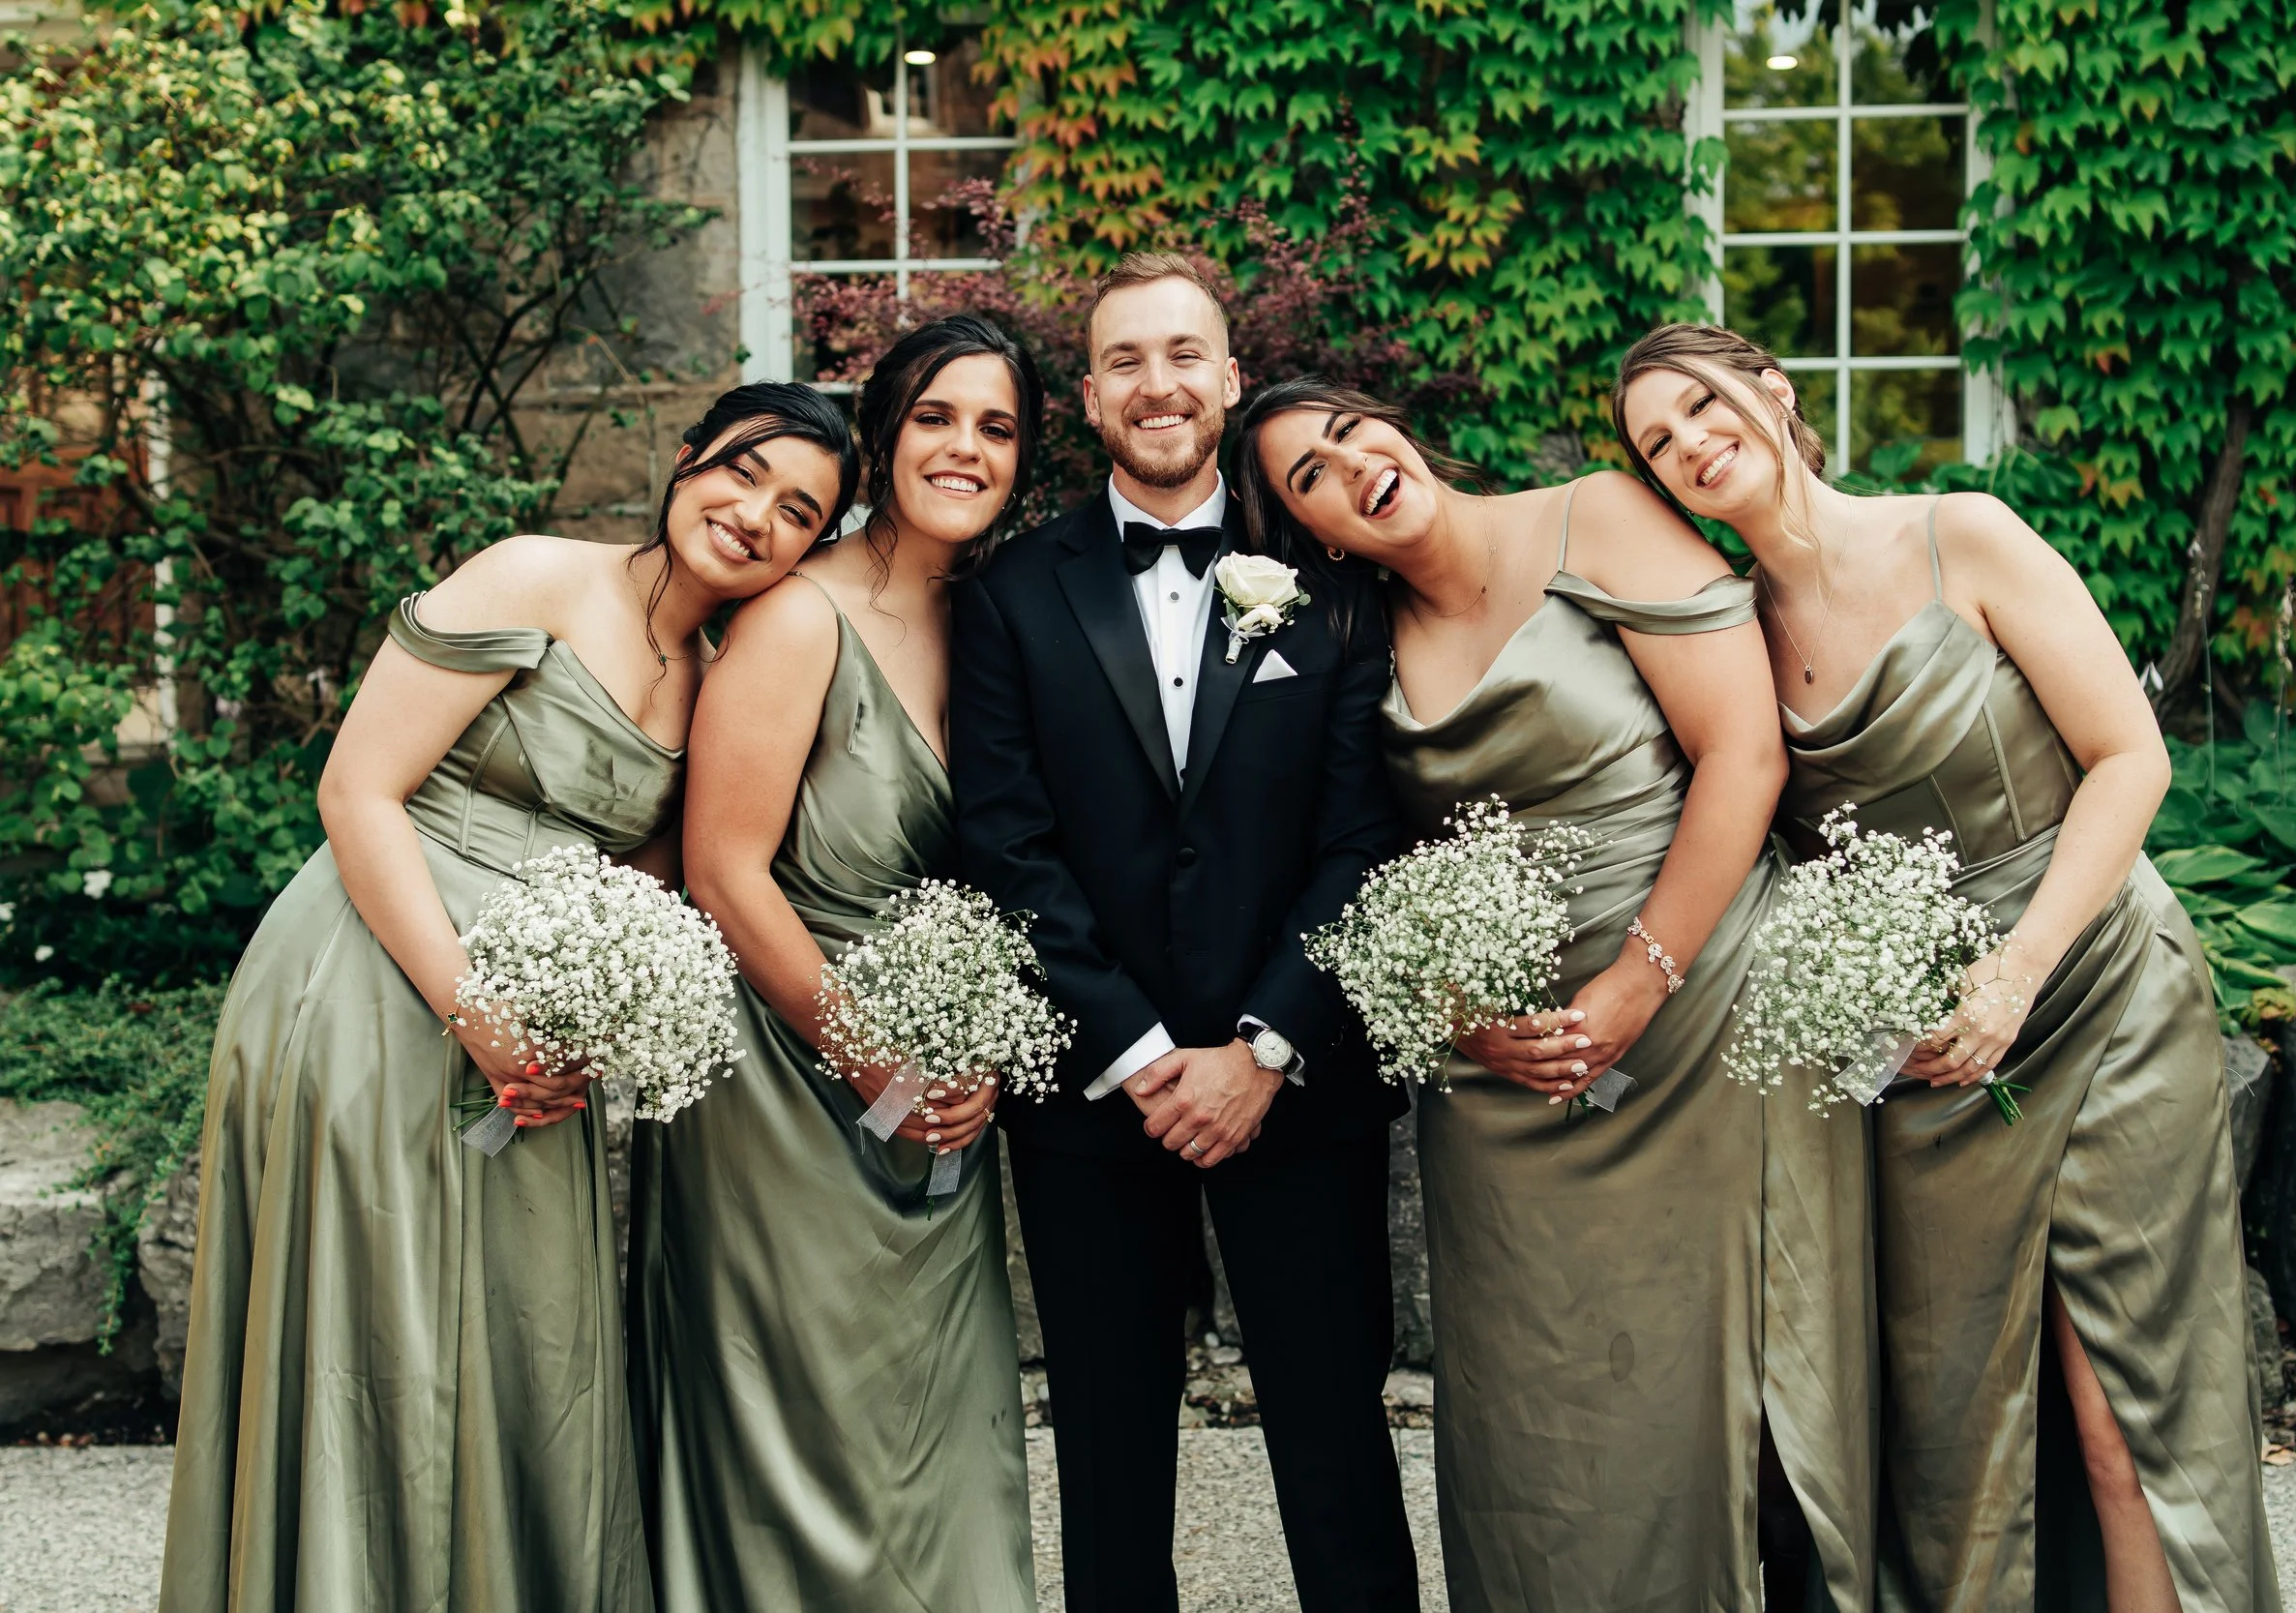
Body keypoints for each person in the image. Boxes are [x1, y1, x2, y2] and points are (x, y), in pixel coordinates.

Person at [158, 383, 857, 1613]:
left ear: (813, 547)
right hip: (373, 980)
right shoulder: (534, 576)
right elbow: (358, 792)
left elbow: (650, 892)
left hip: (542, 1037)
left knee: (519, 1341)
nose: (755, 515)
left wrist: (606, 1026)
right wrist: (469, 1008)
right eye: (741, 474)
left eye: (798, 510)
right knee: (379, 1330)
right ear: (687, 459)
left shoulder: (715, 680)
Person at [1617, 321, 2281, 1613]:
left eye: (1701, 407)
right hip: (1926, 1049)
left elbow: (2131, 757)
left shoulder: (1957, 532)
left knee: (2124, 1406)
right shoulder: (1725, 630)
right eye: (1657, 443)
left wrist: (2018, 970)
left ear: (1770, 388)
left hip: (2094, 977)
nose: (1692, 446)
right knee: (1958, 1414)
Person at [1235, 375, 1878, 1611]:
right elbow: (1362, 855)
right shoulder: (1349, 635)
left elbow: (1742, 751)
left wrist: (1641, 980)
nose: (1348, 461)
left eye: (1347, 429)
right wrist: (1457, 1011)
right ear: (1312, 532)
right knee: (1545, 1400)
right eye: (1307, 474)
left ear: (1394, 424)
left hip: (1701, 1011)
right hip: (1506, 1073)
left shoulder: (1598, 515)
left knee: (1745, 1374)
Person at [950, 254, 1420, 1613]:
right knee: (1107, 1450)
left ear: (1227, 375)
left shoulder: (1331, 588)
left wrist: (1264, 1042)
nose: (1157, 382)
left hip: (1299, 1080)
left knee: (1337, 1438)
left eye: (1183, 354)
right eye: (1124, 360)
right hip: (1100, 1094)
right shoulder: (1009, 595)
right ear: (1089, 396)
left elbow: (1360, 838)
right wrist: (1144, 1047)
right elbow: (1007, 839)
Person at [627, 315, 1040, 1611]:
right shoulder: (804, 617)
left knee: (941, 1423)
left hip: (936, 1087)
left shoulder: (998, 623)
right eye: (936, 416)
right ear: (883, 434)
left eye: (998, 427)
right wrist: (876, 1054)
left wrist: (970, 1052)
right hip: (783, 1084)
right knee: (801, 1434)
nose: (964, 448)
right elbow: (724, 870)